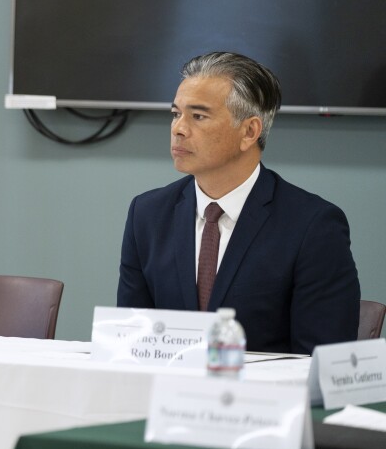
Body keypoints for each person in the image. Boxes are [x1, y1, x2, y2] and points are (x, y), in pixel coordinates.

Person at [117, 51, 360, 354]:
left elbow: (321, 362)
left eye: (198, 116)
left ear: (249, 132)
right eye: (175, 114)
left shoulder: (313, 226)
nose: (178, 128)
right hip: (164, 398)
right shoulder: (148, 215)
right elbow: (133, 347)